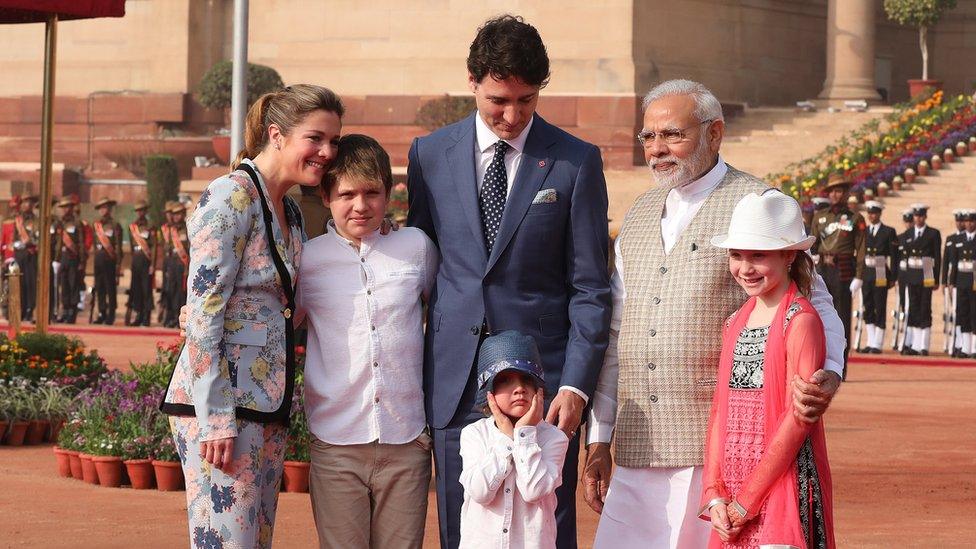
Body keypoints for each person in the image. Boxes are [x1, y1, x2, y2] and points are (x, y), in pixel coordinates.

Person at [582, 80, 844, 549]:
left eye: (673, 135)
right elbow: (618, 333)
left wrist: (831, 371)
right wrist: (599, 436)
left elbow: (816, 300)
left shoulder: (757, 204)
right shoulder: (638, 213)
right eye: (648, 137)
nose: (658, 149)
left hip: (718, 453)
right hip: (638, 444)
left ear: (715, 133)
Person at [406, 15, 611, 549]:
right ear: (472, 81)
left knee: (546, 530)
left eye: (526, 100)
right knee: (463, 529)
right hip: (456, 384)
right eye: (499, 99)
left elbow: (590, 286)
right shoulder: (428, 155)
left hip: (542, 388)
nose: (512, 114)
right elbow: (420, 262)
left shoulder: (576, 162)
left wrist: (575, 385)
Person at [160, 84, 344, 549]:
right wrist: (217, 416)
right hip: (223, 407)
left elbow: (285, 302)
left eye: (333, 141)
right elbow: (206, 309)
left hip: (266, 403)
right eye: (316, 138)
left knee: (254, 541)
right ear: (276, 134)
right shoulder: (230, 197)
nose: (326, 152)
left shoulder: (294, 212)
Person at [298, 134, 437, 549]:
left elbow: (450, 315)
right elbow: (274, 322)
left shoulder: (416, 247)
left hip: (407, 439)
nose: (360, 206)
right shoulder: (307, 260)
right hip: (336, 444)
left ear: (389, 192)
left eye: (371, 192)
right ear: (326, 196)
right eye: (346, 194)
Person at [702, 191, 834, 548]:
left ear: (790, 254)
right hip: (733, 492)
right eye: (736, 255)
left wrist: (748, 499)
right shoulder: (734, 323)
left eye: (758, 255)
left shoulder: (801, 321)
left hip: (782, 487)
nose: (745, 268)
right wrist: (715, 494)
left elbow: (798, 419)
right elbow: (720, 415)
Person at [459, 331, 568, 549]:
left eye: (527, 379)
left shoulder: (554, 438)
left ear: (538, 389)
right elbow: (480, 492)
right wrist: (507, 439)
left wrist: (524, 434)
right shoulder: (473, 435)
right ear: (489, 392)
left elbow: (534, 491)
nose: (519, 388)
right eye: (505, 380)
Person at [810, 174, 866, 371]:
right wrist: (812, 260)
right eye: (832, 191)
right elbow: (812, 243)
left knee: (841, 318)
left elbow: (861, 249)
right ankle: (819, 363)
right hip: (823, 269)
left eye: (839, 191)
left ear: (846, 193)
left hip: (843, 270)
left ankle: (840, 368)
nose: (835, 195)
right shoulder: (820, 217)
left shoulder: (855, 218)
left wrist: (859, 275)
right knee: (819, 314)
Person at [856, 201, 898, 354]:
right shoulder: (864, 231)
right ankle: (870, 340)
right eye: (869, 213)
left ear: (879, 214)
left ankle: (878, 343)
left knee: (879, 305)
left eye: (874, 213)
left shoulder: (888, 231)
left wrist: (893, 276)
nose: (871, 216)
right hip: (867, 270)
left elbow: (894, 255)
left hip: (881, 269)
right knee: (868, 304)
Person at [901, 203, 941, 356]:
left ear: (925, 217)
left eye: (921, 216)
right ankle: (912, 343)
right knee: (913, 307)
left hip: (927, 271)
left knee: (925, 307)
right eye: (916, 216)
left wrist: (936, 278)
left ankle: (923, 345)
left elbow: (937, 256)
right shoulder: (908, 233)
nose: (918, 218)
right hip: (911, 273)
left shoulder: (933, 233)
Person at [946, 210, 976, 357]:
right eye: (967, 221)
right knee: (963, 313)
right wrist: (951, 283)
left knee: (974, 313)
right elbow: (954, 264)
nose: (969, 224)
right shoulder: (959, 240)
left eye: (972, 221)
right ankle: (965, 348)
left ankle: (975, 348)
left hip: (974, 282)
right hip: (961, 281)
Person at [52, 197, 87, 324]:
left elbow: (81, 243)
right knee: (64, 285)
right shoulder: (59, 223)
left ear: (71, 208)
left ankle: (72, 313)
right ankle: (65, 311)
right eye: (63, 207)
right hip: (63, 257)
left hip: (73, 258)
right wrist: (56, 259)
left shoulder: (77, 223)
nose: (65, 210)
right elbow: (57, 243)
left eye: (67, 207)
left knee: (73, 285)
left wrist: (82, 261)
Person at [91, 198, 123, 325]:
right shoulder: (96, 225)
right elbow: (94, 243)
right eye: (101, 208)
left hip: (109, 260)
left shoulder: (115, 225)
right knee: (100, 287)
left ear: (109, 209)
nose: (103, 210)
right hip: (98, 259)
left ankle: (111, 314)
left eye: (105, 207)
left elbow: (118, 246)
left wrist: (118, 263)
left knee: (110, 288)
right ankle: (102, 312)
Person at [127, 200, 157, 326]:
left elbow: (154, 246)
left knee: (146, 289)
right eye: (138, 211)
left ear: (146, 211)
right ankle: (138, 315)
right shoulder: (133, 226)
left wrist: (153, 264)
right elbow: (130, 245)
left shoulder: (150, 226)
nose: (140, 213)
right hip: (136, 260)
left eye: (142, 210)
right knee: (136, 289)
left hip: (146, 260)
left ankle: (146, 317)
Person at [942, 209, 966, 355]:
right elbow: (946, 263)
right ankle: (956, 343)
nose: (960, 223)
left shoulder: (967, 239)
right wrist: (944, 281)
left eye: (962, 221)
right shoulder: (951, 239)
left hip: (963, 280)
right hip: (953, 281)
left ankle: (963, 344)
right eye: (958, 220)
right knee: (955, 312)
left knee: (963, 313)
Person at [12, 195, 39, 322]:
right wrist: (17, 244)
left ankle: (30, 309)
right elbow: (14, 238)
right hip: (20, 255)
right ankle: (20, 309)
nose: (27, 204)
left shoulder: (36, 220)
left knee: (30, 283)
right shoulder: (18, 220)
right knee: (19, 283)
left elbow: (37, 237)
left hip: (31, 255)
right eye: (25, 202)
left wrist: (29, 243)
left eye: (30, 202)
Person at [161, 202, 189, 328]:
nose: (177, 216)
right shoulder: (172, 230)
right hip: (172, 264)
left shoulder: (187, 229)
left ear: (183, 215)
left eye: (179, 214)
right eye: (175, 214)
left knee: (181, 292)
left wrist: (188, 267)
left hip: (182, 264)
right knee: (171, 290)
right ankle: (171, 317)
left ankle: (179, 319)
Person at [894, 208, 915, 350]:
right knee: (903, 305)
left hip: (914, 275)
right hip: (902, 276)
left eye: (910, 221)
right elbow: (895, 259)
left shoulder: (916, 237)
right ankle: (904, 339)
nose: (908, 224)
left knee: (913, 306)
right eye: (906, 221)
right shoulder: (900, 238)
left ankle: (912, 339)